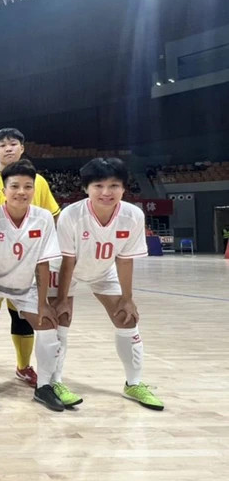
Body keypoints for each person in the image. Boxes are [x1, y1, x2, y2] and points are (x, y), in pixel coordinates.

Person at [50, 158, 164, 410]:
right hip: (65, 270)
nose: (106, 192)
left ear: (124, 188)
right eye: (98, 185)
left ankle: (133, 384)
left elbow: (124, 260)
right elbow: (67, 261)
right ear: (86, 188)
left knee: (127, 318)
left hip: (104, 270)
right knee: (61, 320)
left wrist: (127, 297)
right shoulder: (71, 214)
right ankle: (53, 381)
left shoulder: (132, 215)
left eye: (114, 185)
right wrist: (61, 299)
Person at [0, 127, 61, 388]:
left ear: (22, 148)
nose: (8, 148)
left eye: (14, 144)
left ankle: (23, 366)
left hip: (23, 266)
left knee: (23, 320)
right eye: (3, 145)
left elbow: (50, 215)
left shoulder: (38, 182)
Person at [0, 160, 64, 412]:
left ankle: (44, 387)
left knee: (48, 324)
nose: (21, 192)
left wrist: (43, 302)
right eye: (14, 186)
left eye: (27, 186)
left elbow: (44, 263)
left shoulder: (44, 218)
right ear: (4, 190)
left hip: (26, 286)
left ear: (34, 190)